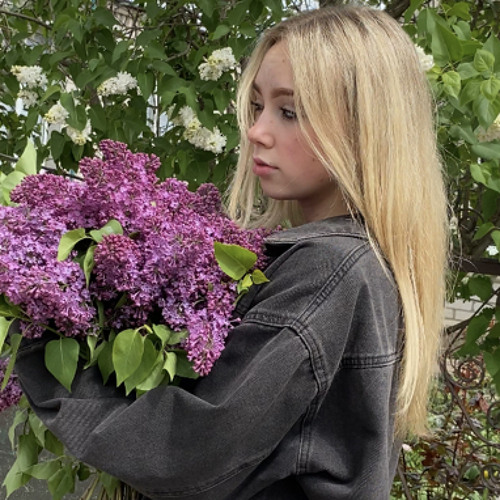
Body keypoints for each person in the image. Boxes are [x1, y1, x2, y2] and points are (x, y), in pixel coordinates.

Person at [15, 5, 448, 499]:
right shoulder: (365, 263)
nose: (257, 131)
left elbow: (184, 450)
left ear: (362, 128)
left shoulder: (329, 271)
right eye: (258, 106)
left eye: (289, 112)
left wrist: (39, 333)